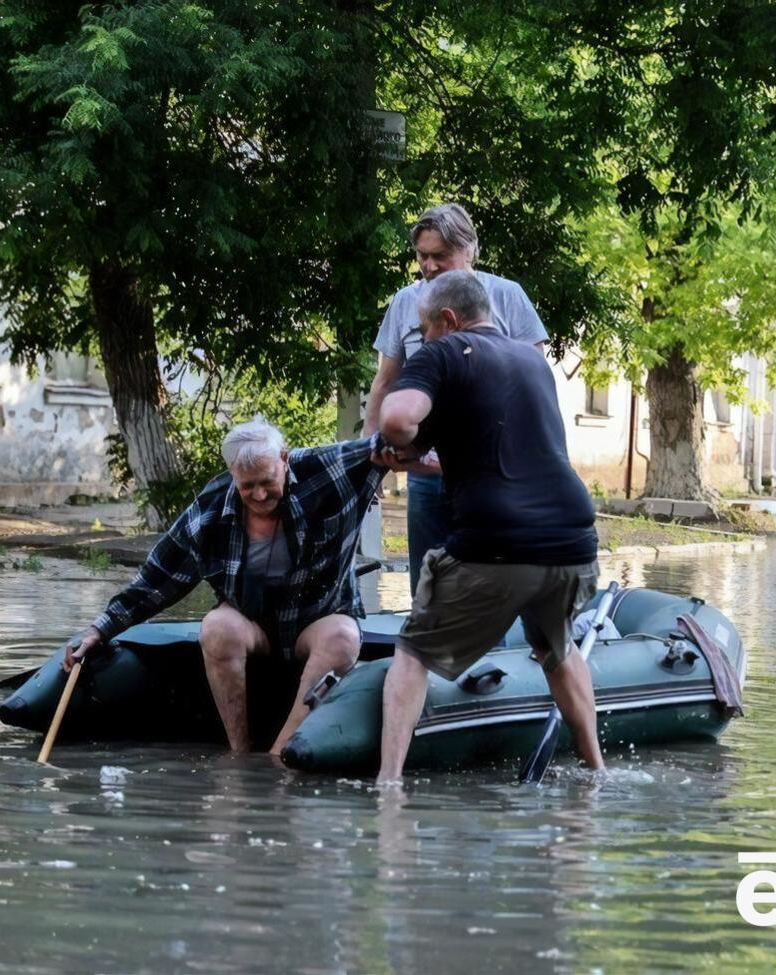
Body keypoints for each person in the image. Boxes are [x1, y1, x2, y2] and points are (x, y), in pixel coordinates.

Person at [371, 270, 602, 786]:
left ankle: (388, 785)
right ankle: (597, 772)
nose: (424, 338)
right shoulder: (531, 360)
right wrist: (415, 456)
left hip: (495, 543)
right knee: (556, 649)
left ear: (448, 320)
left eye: (425, 329)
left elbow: (398, 420)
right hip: (573, 541)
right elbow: (494, 450)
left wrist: (393, 435)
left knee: (413, 650)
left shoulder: (444, 352)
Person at [65, 418, 386, 755]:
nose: (260, 495)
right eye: (248, 486)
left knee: (343, 637)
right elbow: (156, 580)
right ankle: (239, 754)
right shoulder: (208, 512)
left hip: (318, 619)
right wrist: (99, 630)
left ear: (284, 459)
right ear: (232, 473)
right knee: (216, 627)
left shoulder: (324, 469)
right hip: (252, 624)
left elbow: (388, 445)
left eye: (267, 482)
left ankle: (280, 754)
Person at [363, 203, 549, 594]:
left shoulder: (507, 296)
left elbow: (534, 384)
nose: (429, 266)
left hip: (492, 473)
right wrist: (368, 457)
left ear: (469, 250)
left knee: (490, 585)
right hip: (426, 472)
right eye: (422, 256)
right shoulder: (405, 301)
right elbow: (385, 382)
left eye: (440, 256)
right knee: (427, 586)